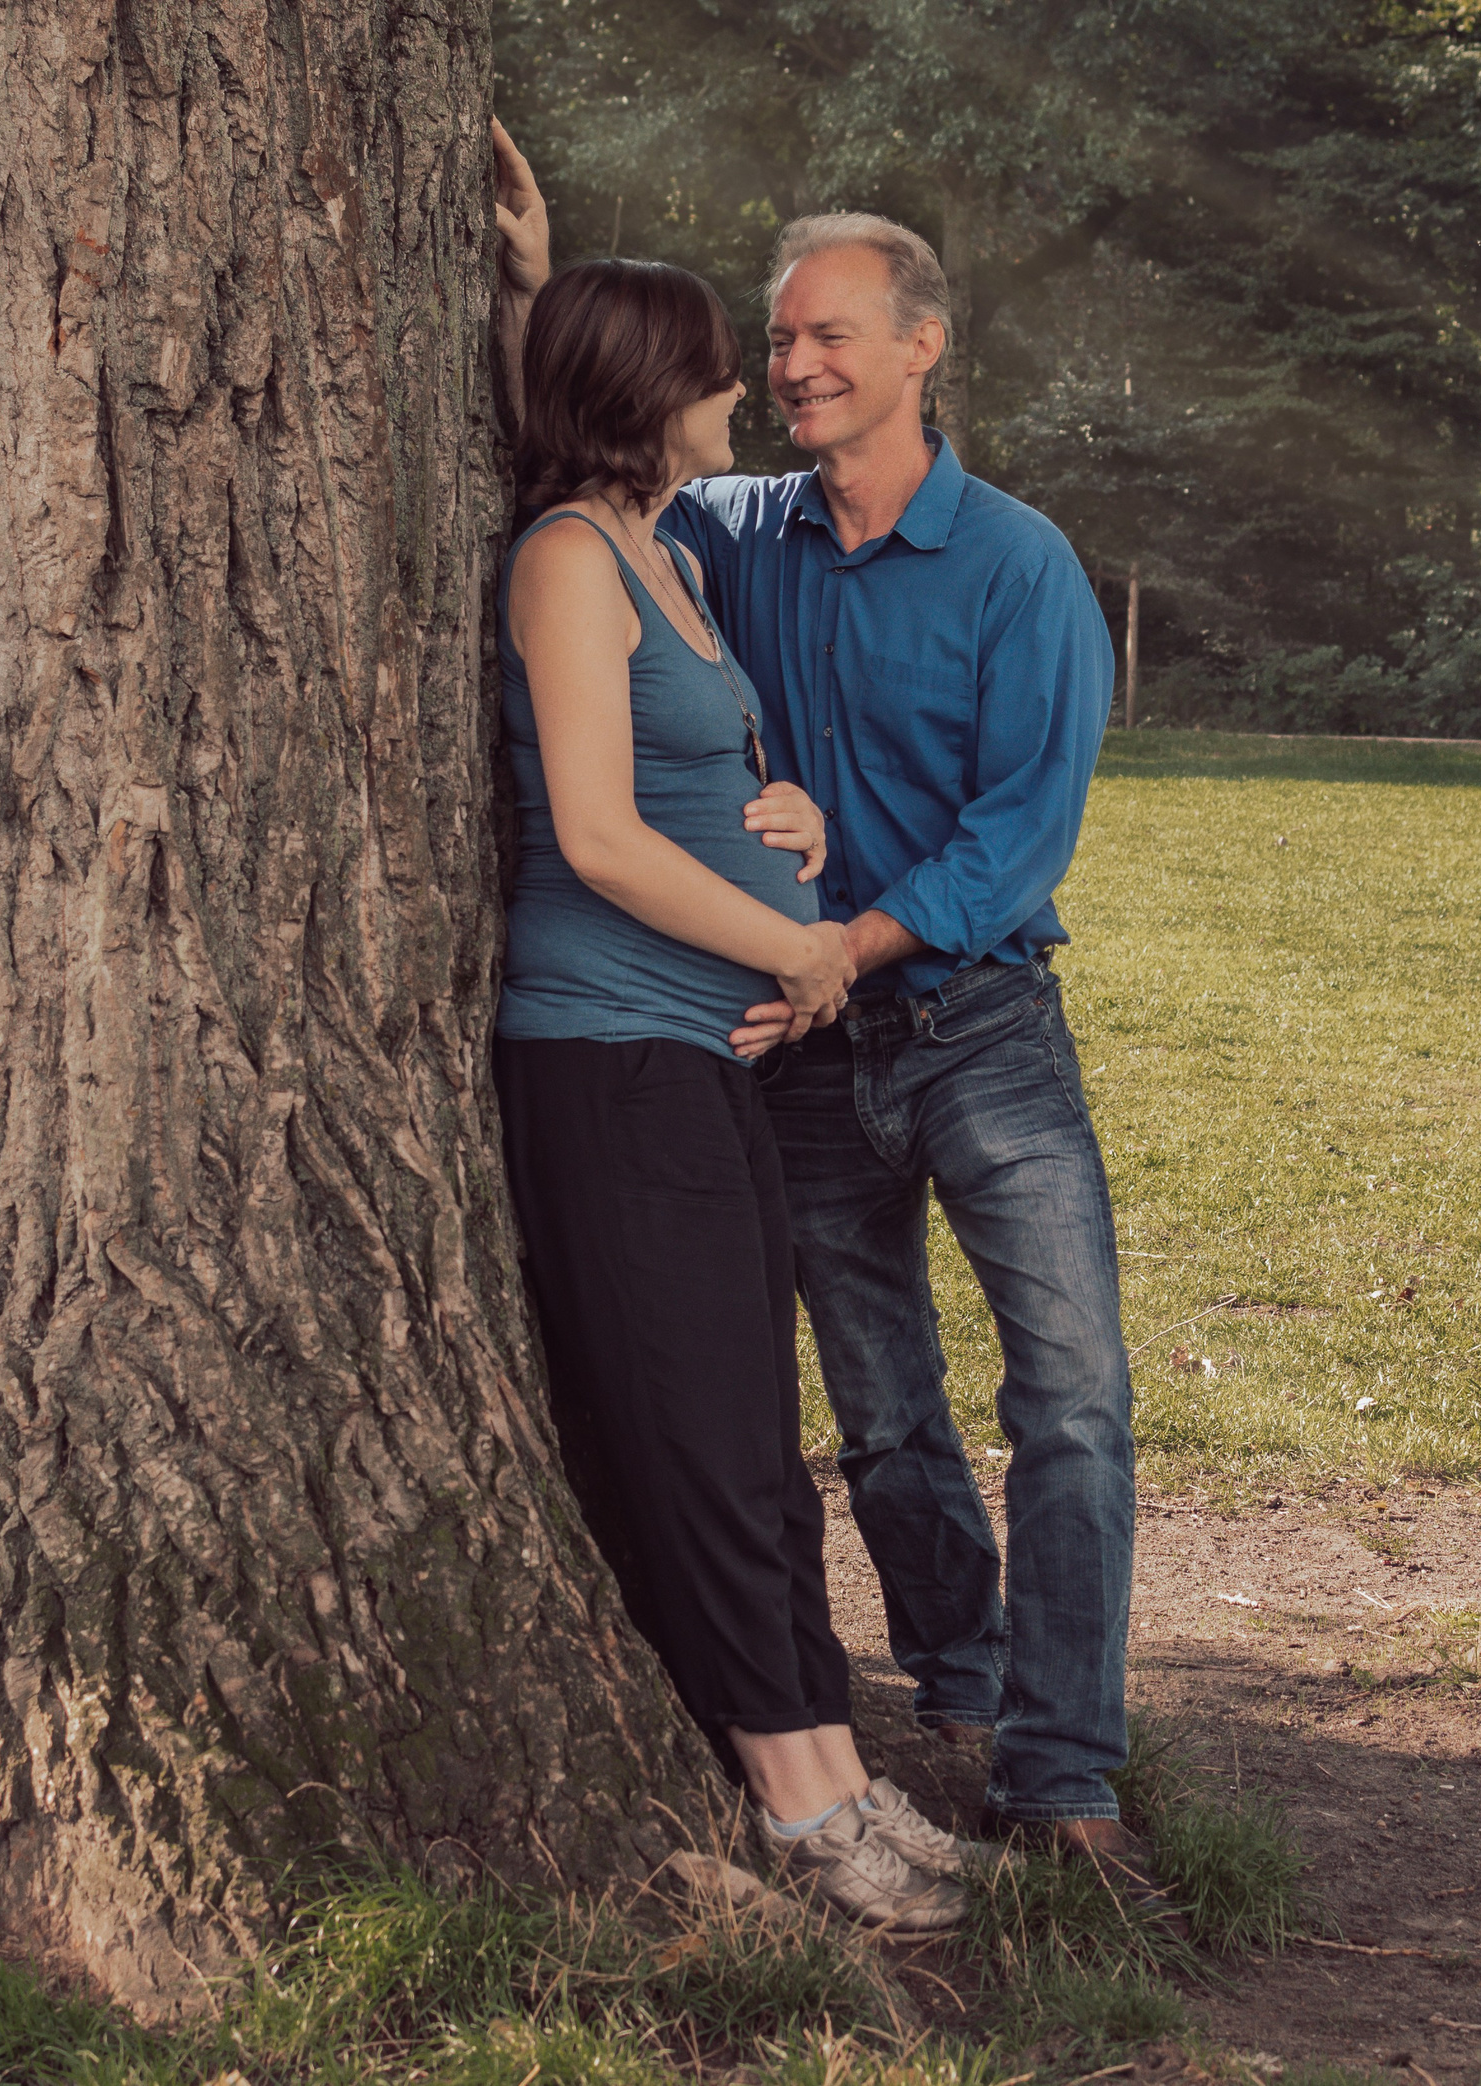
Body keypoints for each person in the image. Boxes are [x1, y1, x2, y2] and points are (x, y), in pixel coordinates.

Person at [494, 128, 1155, 1895]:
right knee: (874, 1415)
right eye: (771, 342)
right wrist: (531, 288)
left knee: (1070, 1399)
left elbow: (1021, 832)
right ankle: (955, 1696)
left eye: (824, 337)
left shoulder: (1018, 565)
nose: (785, 367)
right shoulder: (718, 531)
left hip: (971, 1028)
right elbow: (585, 431)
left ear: (923, 345)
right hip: (784, 1058)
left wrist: (834, 936)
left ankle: (1068, 1770)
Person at [493, 251, 976, 1930]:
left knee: (767, 1451)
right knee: (701, 1440)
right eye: (717, 360)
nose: (746, 384)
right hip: (608, 1059)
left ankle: (840, 1772)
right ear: (643, 387)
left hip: (703, 1059)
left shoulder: (661, 549)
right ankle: (792, 1808)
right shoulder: (567, 559)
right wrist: (811, 953)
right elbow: (602, 835)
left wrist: (792, 820)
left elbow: (707, 777)